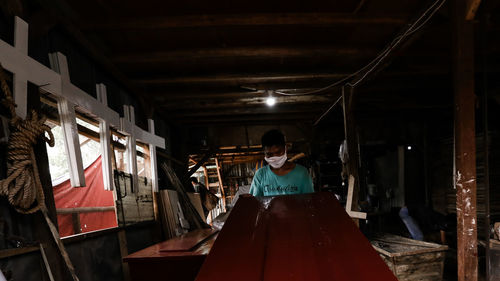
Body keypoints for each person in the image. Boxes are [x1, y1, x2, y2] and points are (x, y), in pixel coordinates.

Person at [249, 129, 314, 197]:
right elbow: (255, 202)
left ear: (285, 148)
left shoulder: (302, 173)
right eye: (269, 154)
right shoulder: (260, 175)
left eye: (278, 152)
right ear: (264, 153)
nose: (275, 157)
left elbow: (309, 201)